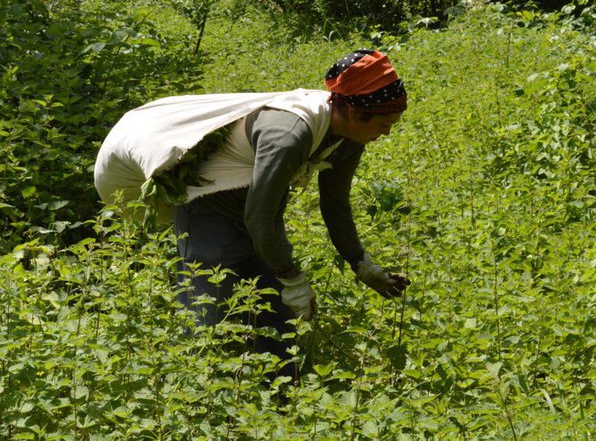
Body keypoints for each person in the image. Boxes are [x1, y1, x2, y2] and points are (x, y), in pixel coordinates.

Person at [94, 49, 412, 380]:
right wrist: (293, 277)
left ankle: (281, 395)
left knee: (273, 308)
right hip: (207, 199)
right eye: (384, 123)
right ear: (353, 111)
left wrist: (359, 262)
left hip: (255, 199)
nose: (387, 132)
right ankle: (200, 395)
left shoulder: (348, 138)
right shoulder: (289, 135)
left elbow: (334, 202)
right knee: (210, 303)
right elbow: (259, 220)